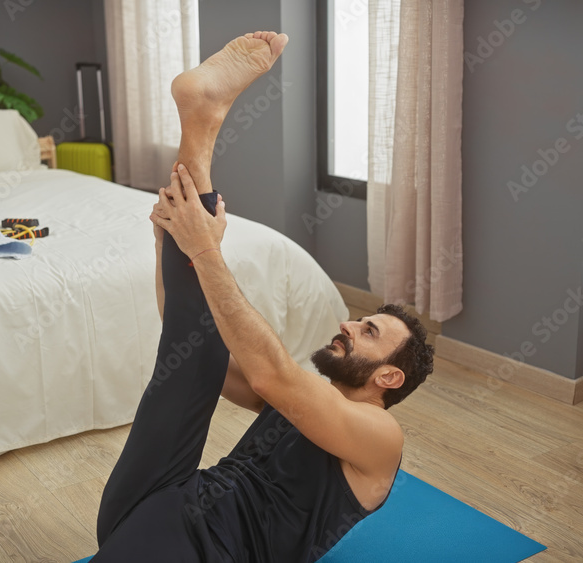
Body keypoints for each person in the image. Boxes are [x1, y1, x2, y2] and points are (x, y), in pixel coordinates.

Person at [93, 31, 434, 563]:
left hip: (208, 549)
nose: (347, 324)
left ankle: (202, 119)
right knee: (194, 349)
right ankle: (200, 120)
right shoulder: (306, 399)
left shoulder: (379, 437)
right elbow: (188, 346)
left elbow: (271, 375)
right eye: (359, 320)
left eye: (369, 332)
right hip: (163, 503)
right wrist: (170, 243)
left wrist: (205, 251)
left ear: (389, 376)